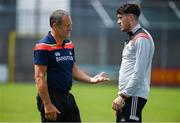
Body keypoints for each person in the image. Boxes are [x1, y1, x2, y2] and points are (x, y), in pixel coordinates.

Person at [33, 10, 110, 122]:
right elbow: (39, 77)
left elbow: (74, 70)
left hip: (67, 97)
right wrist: (47, 104)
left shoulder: (69, 44)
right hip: (51, 98)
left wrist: (91, 79)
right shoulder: (43, 46)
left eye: (71, 25)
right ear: (54, 25)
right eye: (67, 25)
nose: (70, 28)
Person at [112, 3, 155, 122]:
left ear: (130, 17)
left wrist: (123, 96)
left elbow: (139, 72)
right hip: (128, 96)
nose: (118, 22)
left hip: (133, 96)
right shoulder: (133, 37)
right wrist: (122, 96)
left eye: (120, 18)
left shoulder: (141, 38)